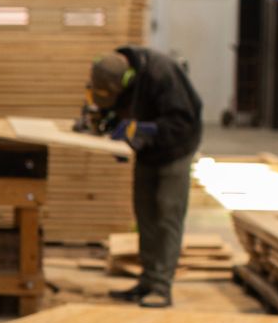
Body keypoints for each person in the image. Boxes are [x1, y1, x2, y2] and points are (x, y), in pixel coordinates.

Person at [87, 48, 203, 308]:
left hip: (175, 150)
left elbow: (183, 122)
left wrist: (144, 129)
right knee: (145, 214)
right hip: (148, 152)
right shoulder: (111, 72)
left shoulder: (163, 74)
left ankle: (162, 287)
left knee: (166, 215)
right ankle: (147, 281)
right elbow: (114, 107)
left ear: (128, 79)